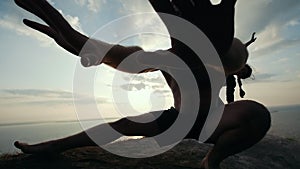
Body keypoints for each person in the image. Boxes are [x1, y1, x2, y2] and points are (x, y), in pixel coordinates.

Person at [13, 0, 271, 169]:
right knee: (122, 124)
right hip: (177, 120)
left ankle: (211, 161)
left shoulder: (215, 59)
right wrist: (67, 33)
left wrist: (227, 50)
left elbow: (235, 61)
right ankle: (52, 146)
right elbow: (119, 57)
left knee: (257, 115)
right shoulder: (164, 58)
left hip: (214, 119)